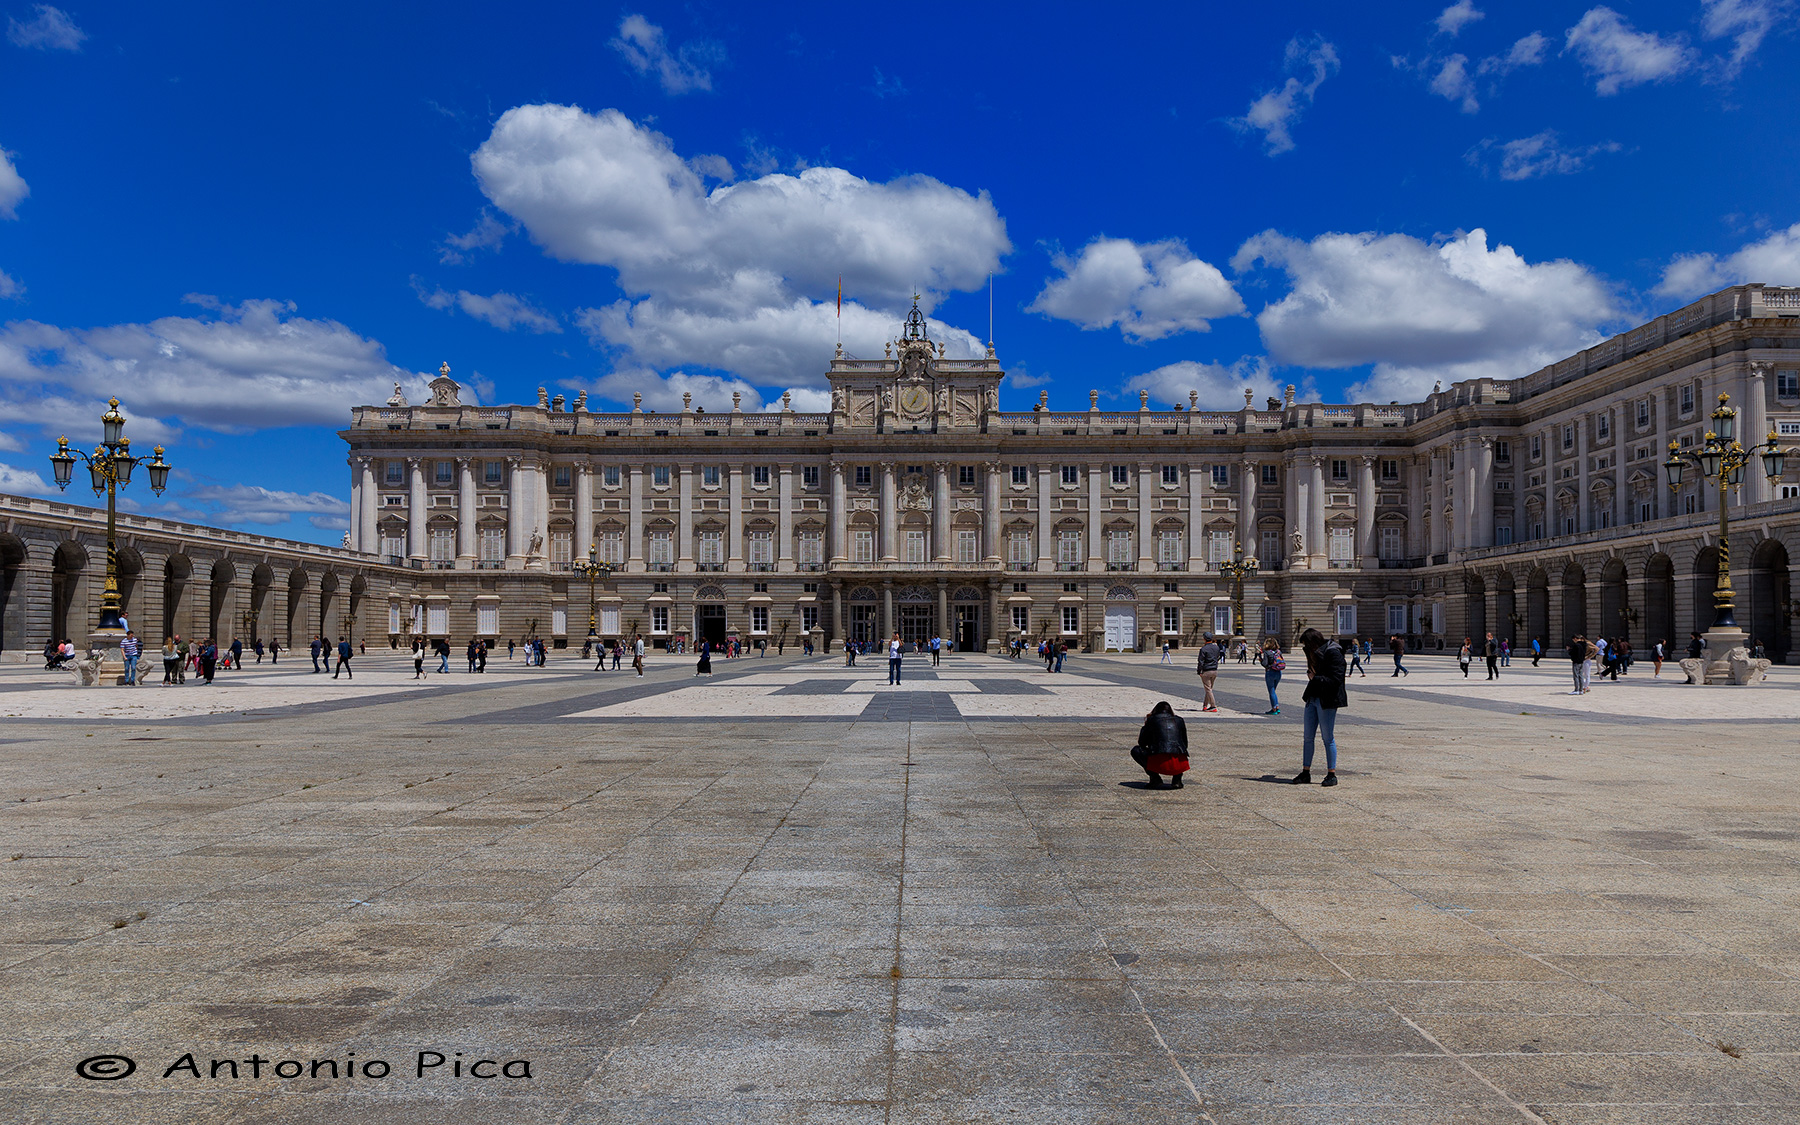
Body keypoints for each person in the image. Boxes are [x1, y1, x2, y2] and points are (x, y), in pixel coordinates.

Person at [1292, 627, 1346, 787]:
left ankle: (1331, 774)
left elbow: (1337, 679)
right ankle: (1305, 771)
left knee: (1327, 738)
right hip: (1313, 697)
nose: (1306, 650)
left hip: (1327, 700)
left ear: (1313, 643)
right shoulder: (1315, 653)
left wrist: (1316, 678)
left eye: (1307, 646)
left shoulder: (1333, 653)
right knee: (1308, 737)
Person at [1131, 701, 1190, 789]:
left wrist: (1146, 726)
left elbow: (1142, 743)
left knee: (1136, 750)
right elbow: (1185, 743)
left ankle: (1155, 778)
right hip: (1180, 764)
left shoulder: (1152, 720)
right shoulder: (1179, 720)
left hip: (1159, 764)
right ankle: (1177, 779)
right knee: (1178, 750)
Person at [1196, 633, 1222, 712]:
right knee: (1209, 689)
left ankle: (1213, 706)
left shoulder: (1203, 649)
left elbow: (1200, 661)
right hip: (1214, 670)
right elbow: (1219, 656)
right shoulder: (1216, 648)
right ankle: (1205, 705)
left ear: (1204, 639)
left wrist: (1199, 671)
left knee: (1208, 689)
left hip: (1206, 670)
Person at [1259, 637, 1285, 715]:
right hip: (1278, 672)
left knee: (1271, 691)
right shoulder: (1278, 652)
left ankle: (1274, 708)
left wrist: (1261, 660)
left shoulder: (1267, 652)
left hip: (1270, 673)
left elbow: (1265, 664)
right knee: (1273, 691)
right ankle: (1277, 707)